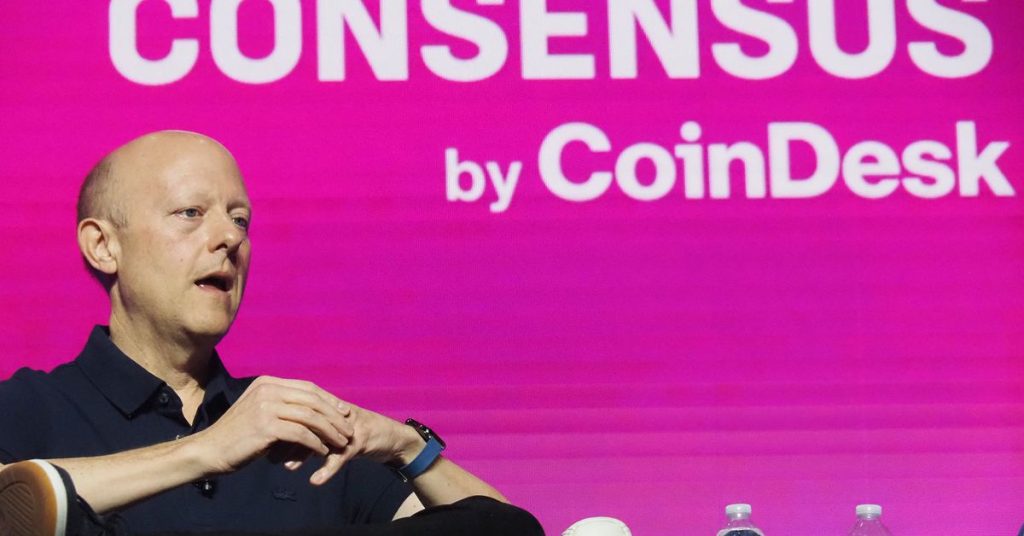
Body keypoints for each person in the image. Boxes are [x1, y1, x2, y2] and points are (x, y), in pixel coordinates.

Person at [0, 131, 542, 535]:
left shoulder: (293, 426)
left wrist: (407, 448)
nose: (228, 237)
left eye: (240, 220)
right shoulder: (26, 408)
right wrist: (209, 449)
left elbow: (506, 529)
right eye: (190, 213)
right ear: (103, 245)